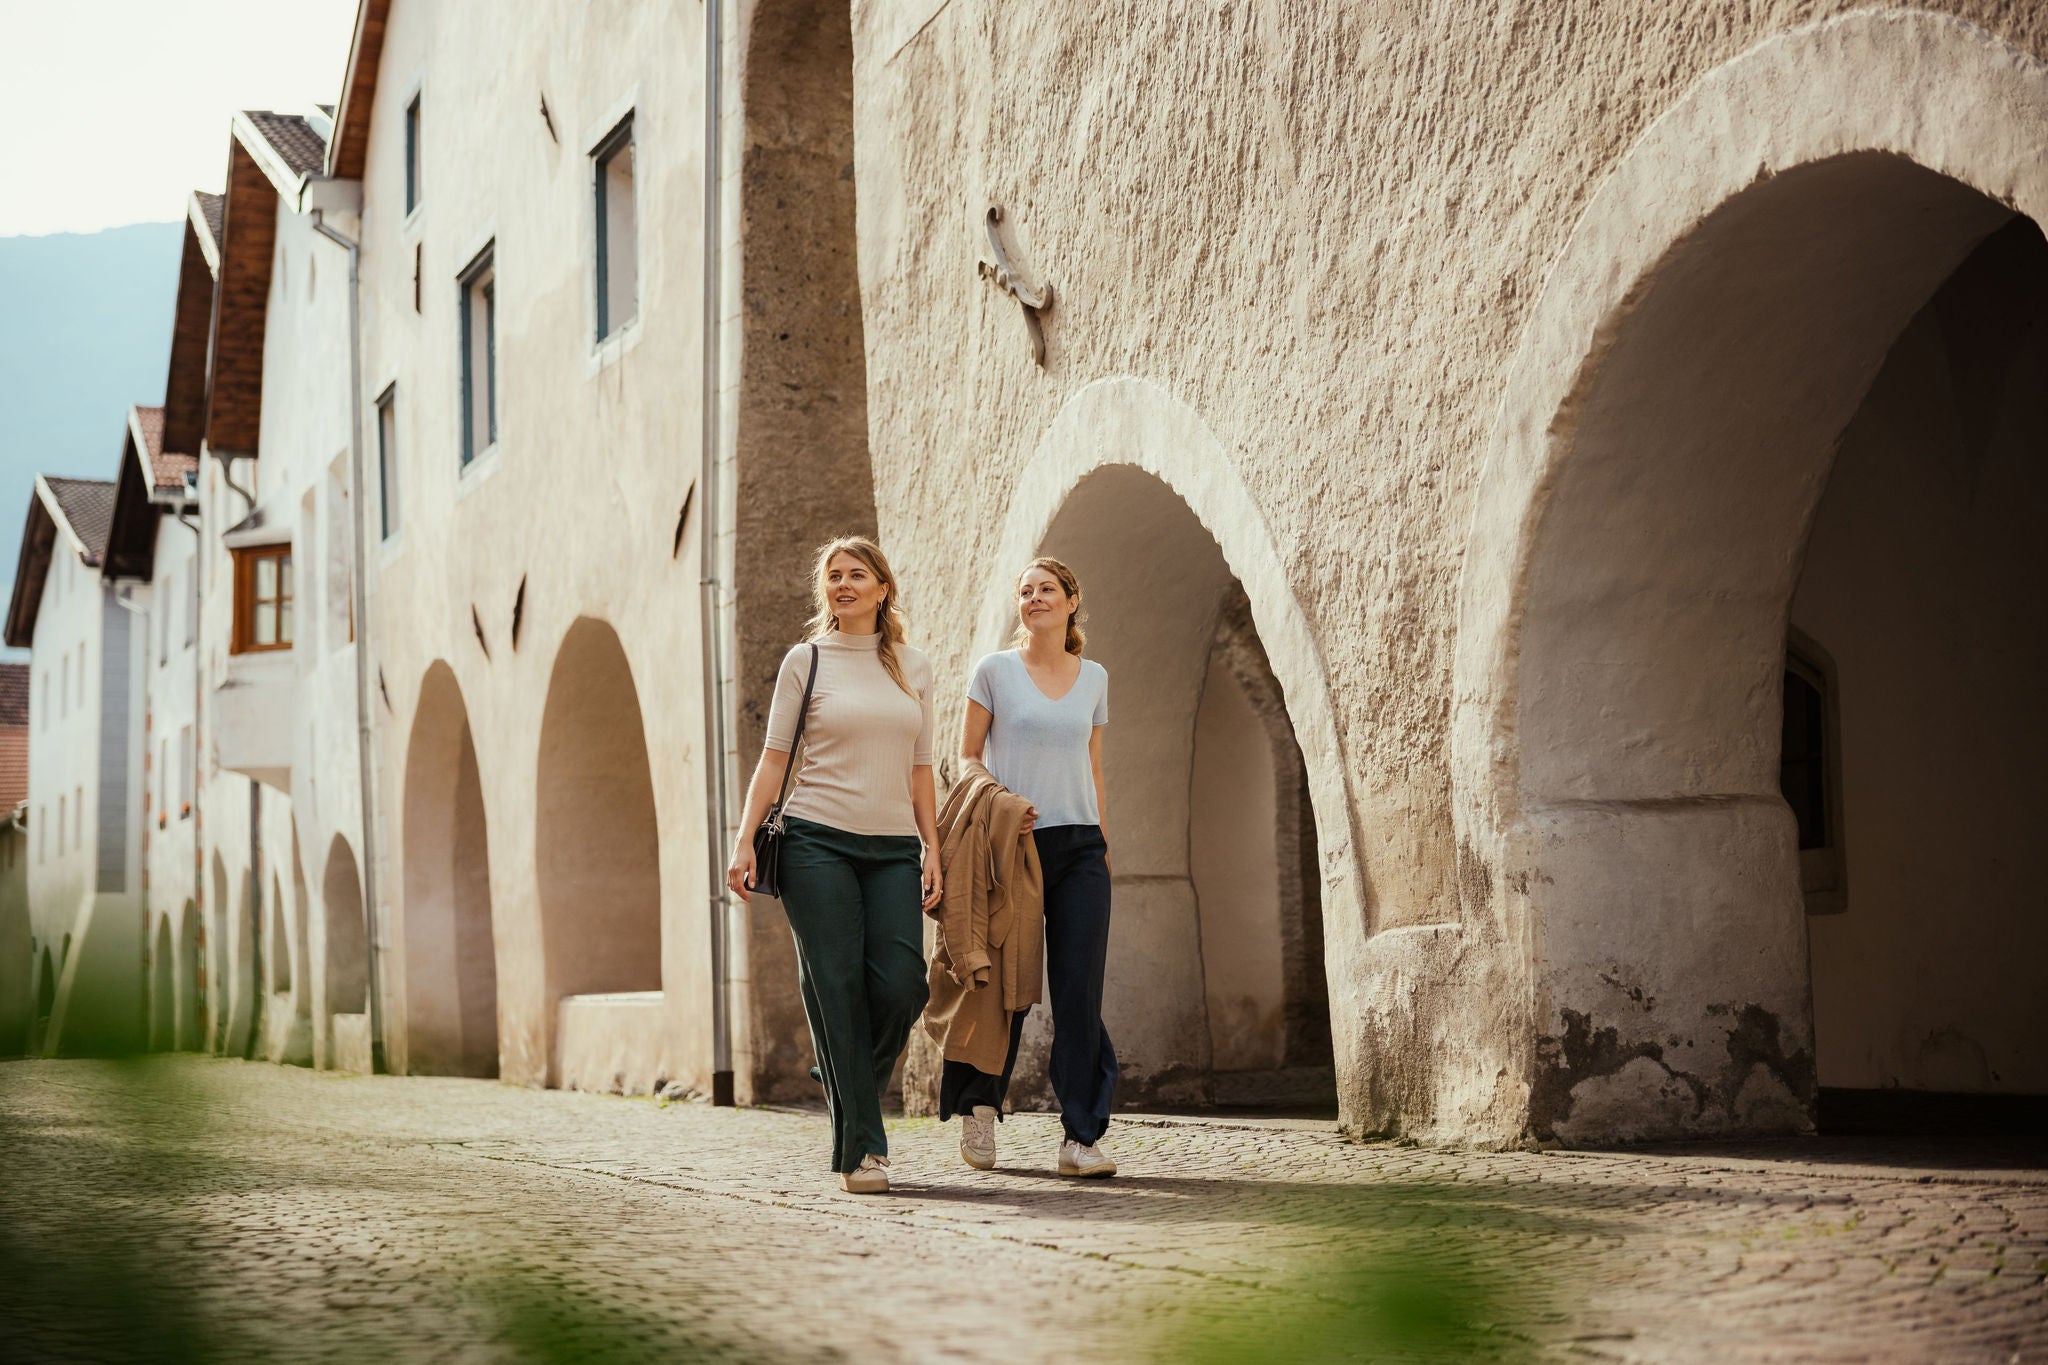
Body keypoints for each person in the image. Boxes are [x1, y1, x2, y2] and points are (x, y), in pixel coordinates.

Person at [727, 536, 940, 1194]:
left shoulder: (913, 666)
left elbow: (922, 768)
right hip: (817, 840)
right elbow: (773, 757)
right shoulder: (807, 660)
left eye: (857, 574)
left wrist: (934, 846)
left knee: (904, 983)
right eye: (834, 576)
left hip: (894, 846)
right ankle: (862, 1151)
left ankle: (840, 1068)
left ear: (883, 587)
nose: (843, 583)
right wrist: (741, 841)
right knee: (839, 983)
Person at [944, 557, 1117, 1177]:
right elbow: (963, 758)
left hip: (1079, 849)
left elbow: (1092, 766)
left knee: (1079, 990)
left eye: (1047, 589)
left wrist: (1100, 831)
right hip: (1012, 844)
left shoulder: (1094, 677)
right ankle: (978, 1110)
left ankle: (1080, 1137)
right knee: (1002, 988)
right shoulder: (994, 671)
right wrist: (1004, 805)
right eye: (1026, 591)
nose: (1035, 598)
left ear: (1072, 601)